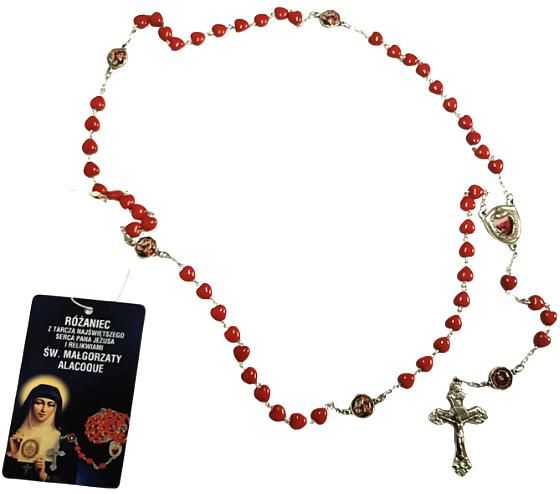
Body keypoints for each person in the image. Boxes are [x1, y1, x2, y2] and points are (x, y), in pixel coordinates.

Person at [3, 384, 76, 483]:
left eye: (50, 404)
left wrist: (44, 477)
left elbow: (69, 480)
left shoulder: (63, 439)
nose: (44, 409)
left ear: (56, 408)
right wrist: (10, 454)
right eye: (39, 403)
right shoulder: (12, 433)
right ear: (30, 404)